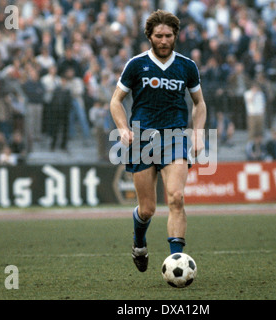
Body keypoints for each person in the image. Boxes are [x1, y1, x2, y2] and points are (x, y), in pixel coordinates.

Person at [109, 10, 207, 273]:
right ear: (150, 37)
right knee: (148, 209)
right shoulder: (136, 64)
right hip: (142, 139)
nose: (164, 40)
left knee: (176, 197)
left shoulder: (187, 66)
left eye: (168, 36)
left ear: (175, 36)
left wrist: (197, 133)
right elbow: (115, 101)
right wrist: (122, 127)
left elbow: (199, 104)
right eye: (159, 36)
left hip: (175, 136)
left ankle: (177, 260)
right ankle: (139, 241)